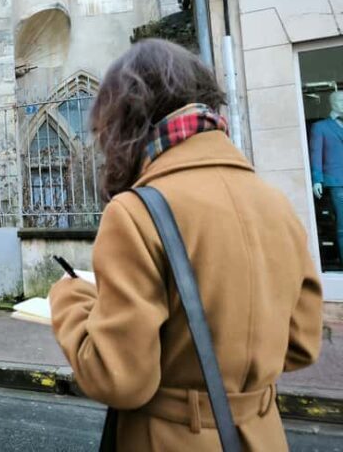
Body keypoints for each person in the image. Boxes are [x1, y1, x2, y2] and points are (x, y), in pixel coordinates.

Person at [48, 39, 323, 451]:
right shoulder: (274, 203)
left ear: (125, 120)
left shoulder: (136, 212)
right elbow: (301, 345)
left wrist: (69, 301)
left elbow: (119, 379)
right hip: (264, 435)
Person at [310, 90, 343, 265]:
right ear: (333, 103)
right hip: (337, 182)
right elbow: (316, 154)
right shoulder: (320, 127)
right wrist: (317, 179)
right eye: (340, 100)